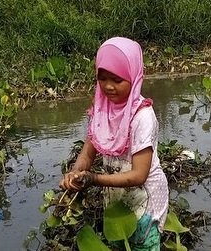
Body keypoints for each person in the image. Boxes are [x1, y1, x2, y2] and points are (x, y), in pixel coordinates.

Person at [59, 37, 169, 250]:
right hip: (117, 198)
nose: (108, 87)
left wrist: (94, 179)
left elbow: (139, 175)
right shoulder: (101, 109)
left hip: (145, 201)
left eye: (117, 80)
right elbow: (88, 153)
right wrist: (75, 173)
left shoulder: (143, 116)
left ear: (133, 76)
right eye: (102, 78)